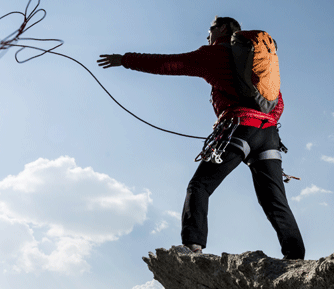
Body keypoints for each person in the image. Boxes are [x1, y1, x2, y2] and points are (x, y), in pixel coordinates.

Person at [96, 16, 305, 260]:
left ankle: (193, 248)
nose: (207, 36)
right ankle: (295, 256)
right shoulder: (260, 63)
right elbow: (277, 103)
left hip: (237, 127)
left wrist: (125, 60)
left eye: (210, 30)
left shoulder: (214, 55)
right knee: (274, 201)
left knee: (200, 185)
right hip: (269, 134)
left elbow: (171, 64)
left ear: (223, 29)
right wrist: (262, 121)